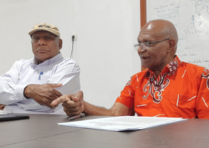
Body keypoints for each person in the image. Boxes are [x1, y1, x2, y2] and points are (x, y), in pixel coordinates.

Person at [51, 19, 209, 119]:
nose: (141, 50)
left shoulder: (200, 77)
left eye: (148, 43)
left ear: (170, 45)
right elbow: (115, 114)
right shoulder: (136, 81)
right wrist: (81, 105)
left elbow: (205, 128)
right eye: (139, 43)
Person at [0, 23, 80, 114]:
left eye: (47, 38)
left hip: (47, 124)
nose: (40, 42)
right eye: (36, 38)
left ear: (60, 44)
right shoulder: (20, 65)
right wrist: (28, 90)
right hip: (10, 121)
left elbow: (49, 102)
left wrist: (8, 101)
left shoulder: (68, 65)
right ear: (32, 43)